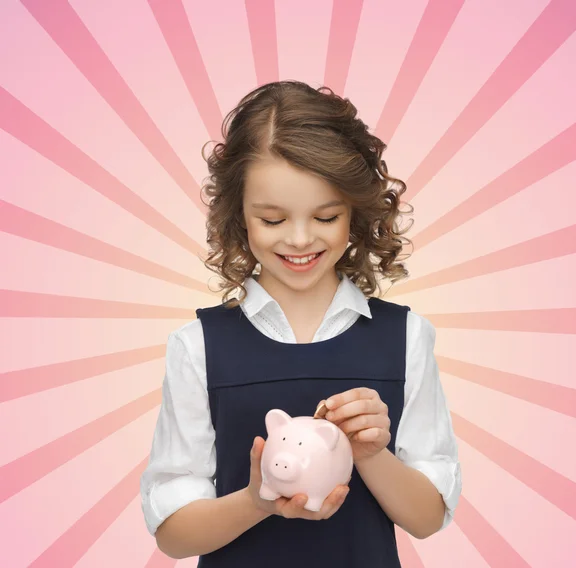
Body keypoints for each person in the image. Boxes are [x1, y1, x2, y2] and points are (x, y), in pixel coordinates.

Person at [140, 80, 461, 567]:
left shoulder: (405, 338)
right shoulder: (199, 346)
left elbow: (427, 517)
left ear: (354, 211)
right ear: (238, 216)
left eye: (326, 215)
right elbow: (173, 536)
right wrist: (256, 501)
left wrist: (371, 453)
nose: (299, 238)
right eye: (272, 220)